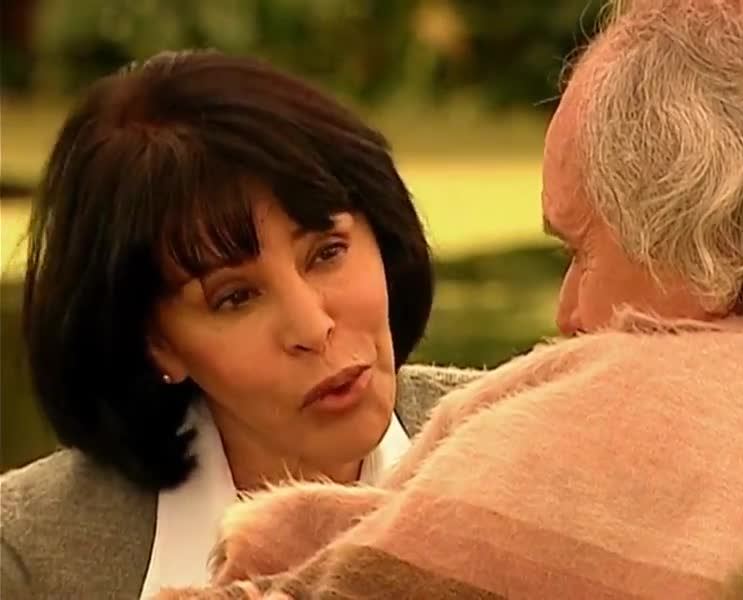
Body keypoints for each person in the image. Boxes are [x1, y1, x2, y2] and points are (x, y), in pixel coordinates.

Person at [155, 0, 743, 598]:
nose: (567, 314)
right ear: (157, 340)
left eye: (578, 251)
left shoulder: (591, 430)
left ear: (694, 244)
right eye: (235, 297)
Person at [0, 50, 483, 599]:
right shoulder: (27, 563)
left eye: (327, 252)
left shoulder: (534, 453)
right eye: (235, 298)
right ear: (156, 343)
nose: (312, 327)